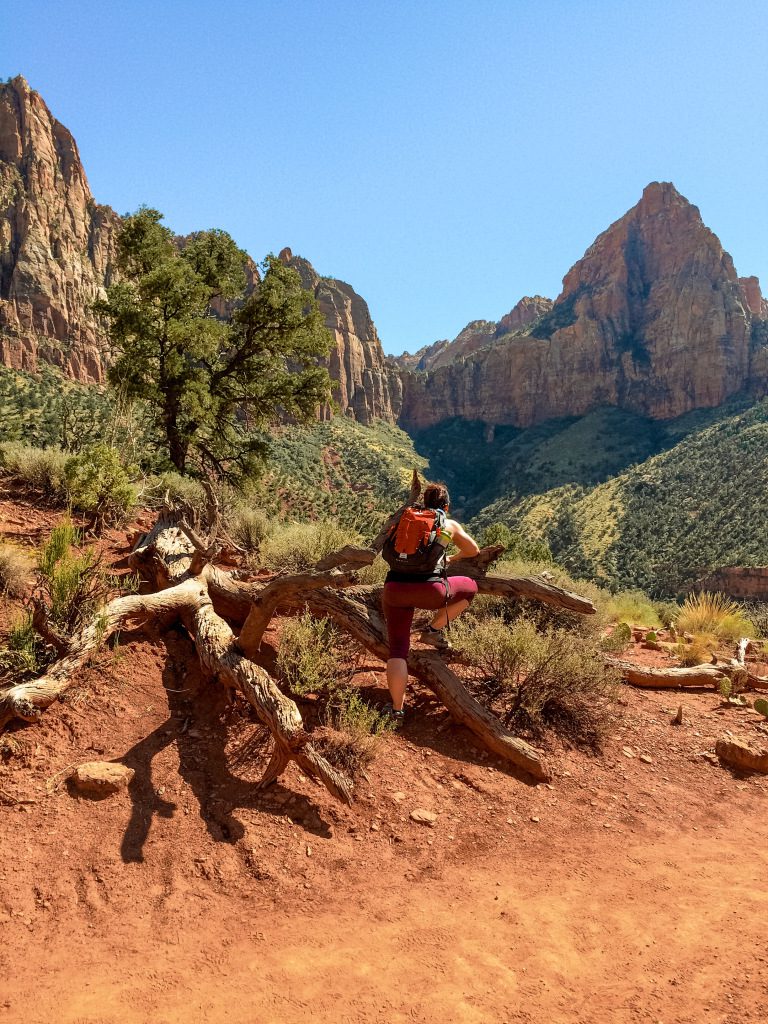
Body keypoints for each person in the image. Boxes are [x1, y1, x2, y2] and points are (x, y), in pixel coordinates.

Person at [382, 482, 479, 723]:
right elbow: (474, 551)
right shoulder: (448, 524)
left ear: (424, 502)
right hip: (431, 591)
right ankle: (433, 630)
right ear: (446, 506)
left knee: (397, 650)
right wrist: (451, 558)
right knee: (470, 587)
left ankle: (396, 711)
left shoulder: (404, 519)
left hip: (394, 589)